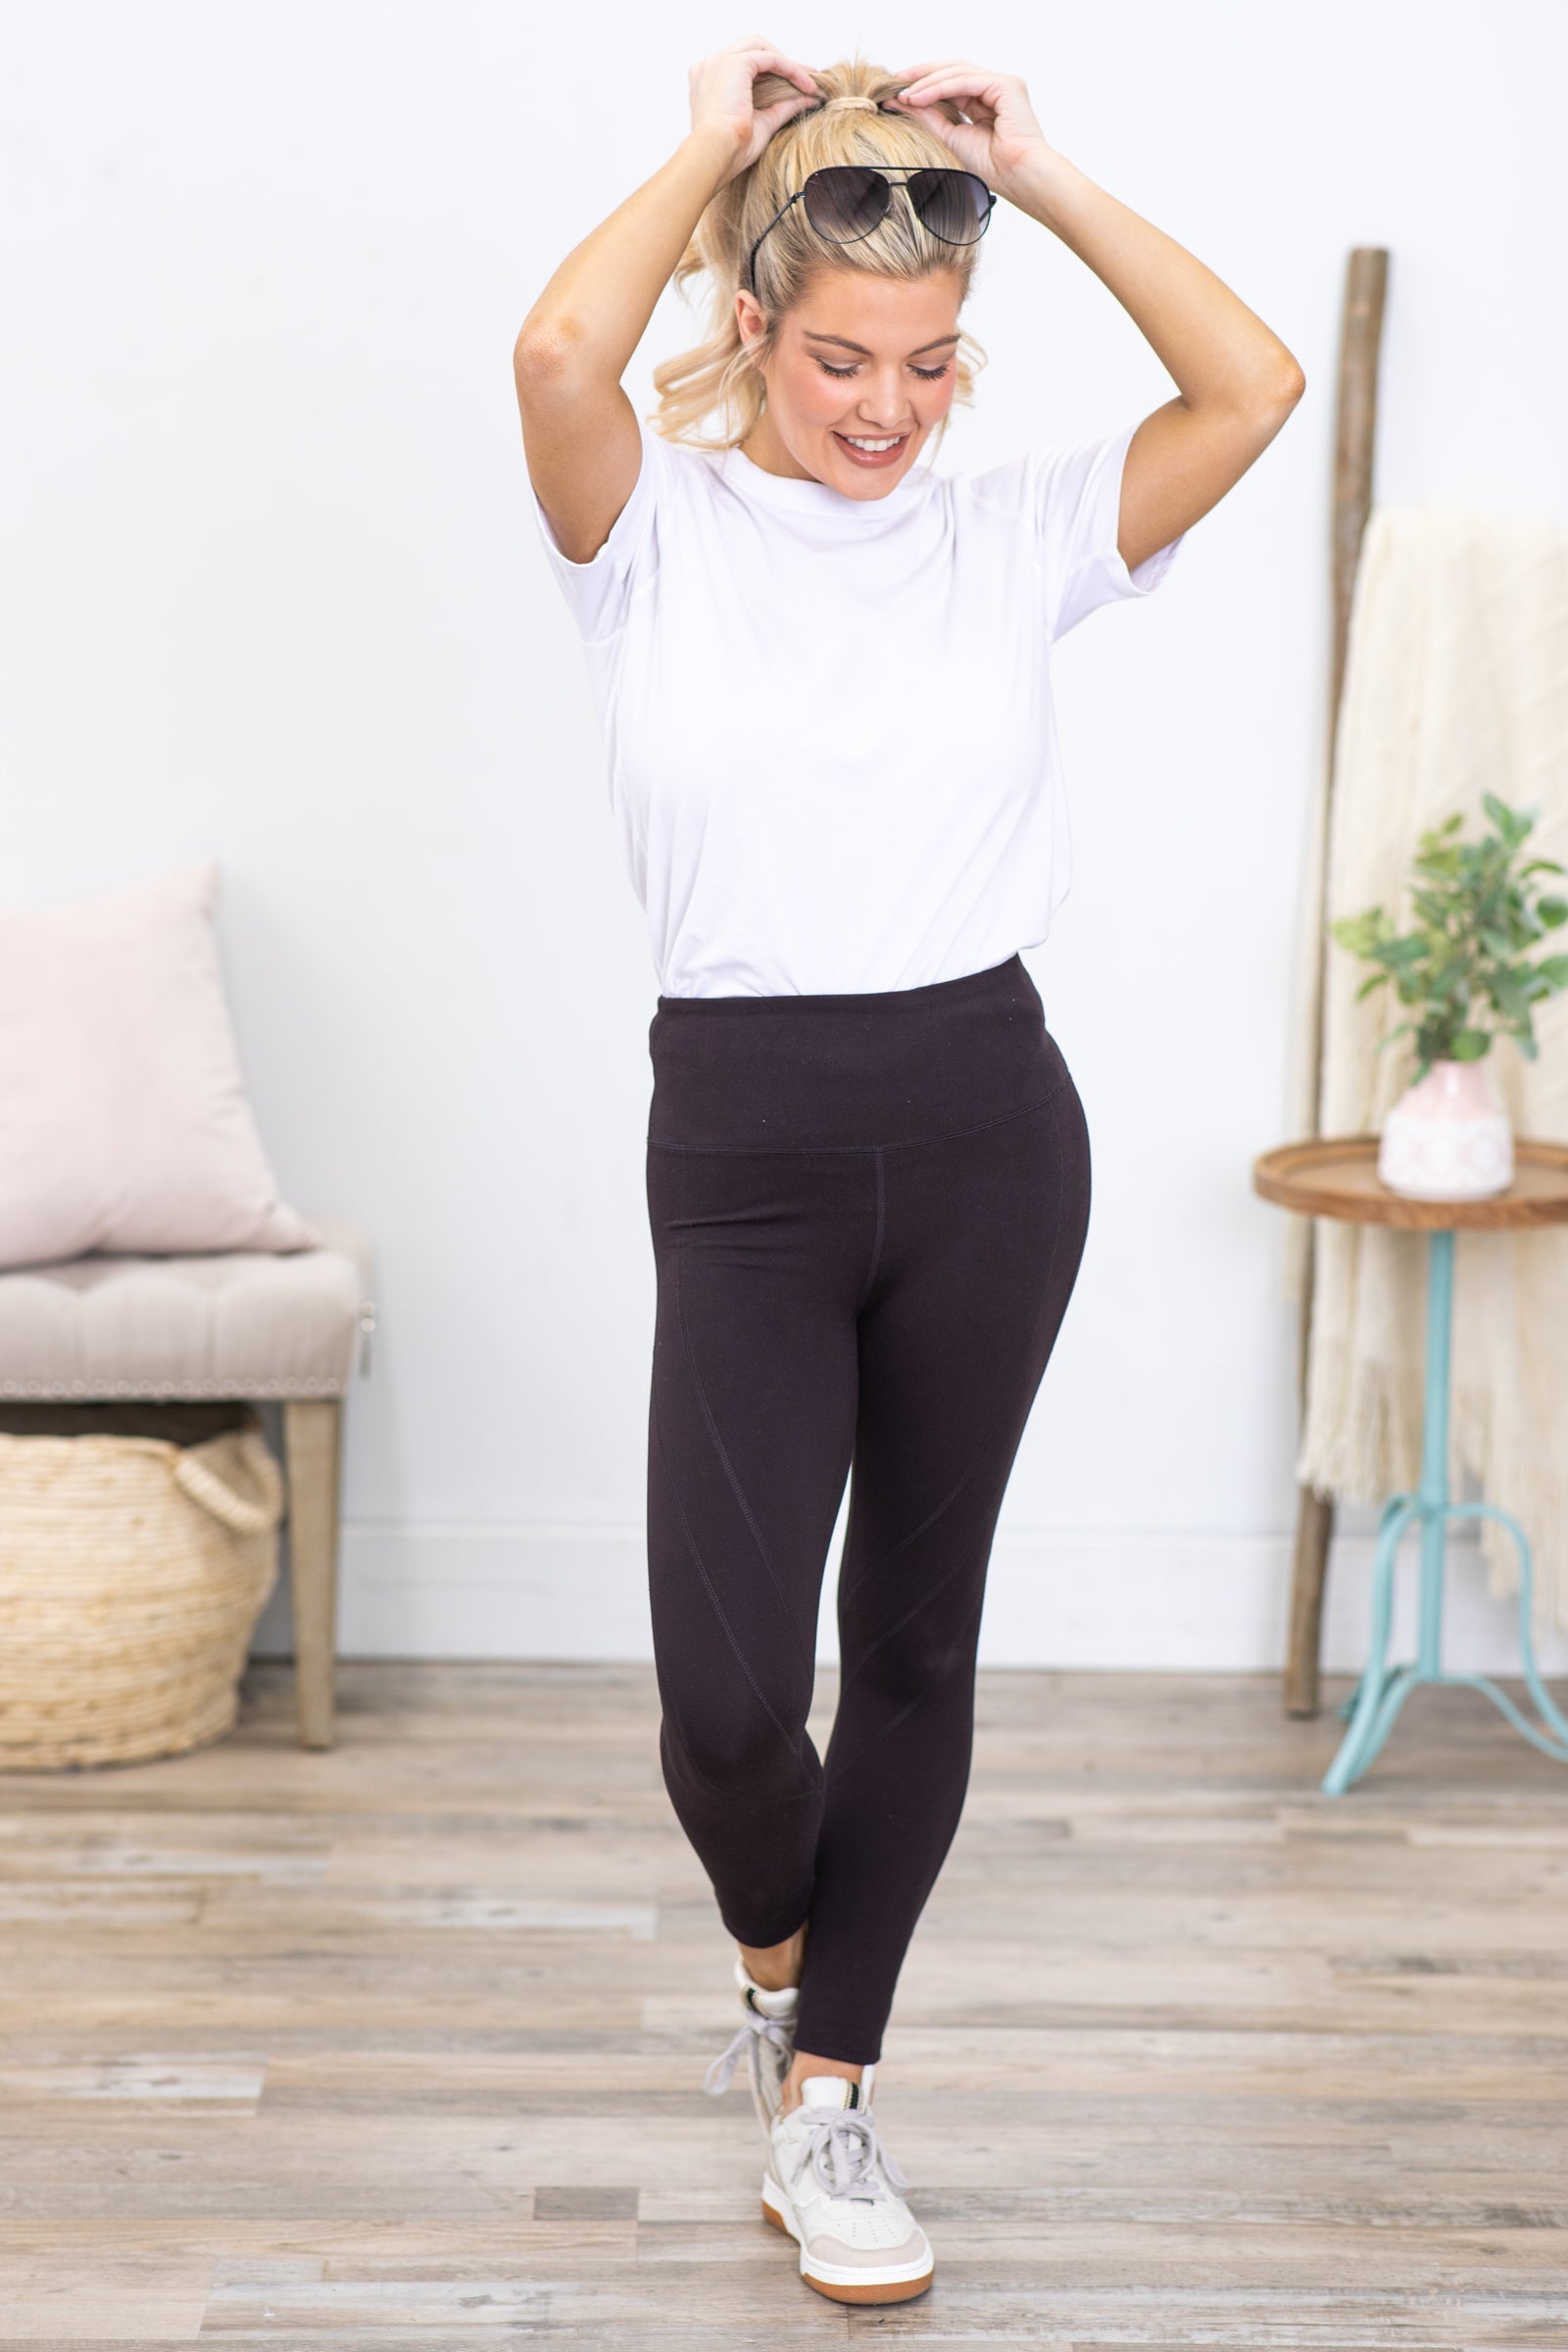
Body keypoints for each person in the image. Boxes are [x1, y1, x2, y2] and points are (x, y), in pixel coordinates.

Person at [514, 37, 1303, 2308]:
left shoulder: (1013, 530)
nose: (887, 408)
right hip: (741, 1149)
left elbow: (1245, 387)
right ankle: (782, 1977)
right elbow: (556, 352)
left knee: (915, 1640)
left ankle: (831, 2100)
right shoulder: (646, 535)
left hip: (984, 1133)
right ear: (752, 319)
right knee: (724, 1703)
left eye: (930, 363)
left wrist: (1030, 169)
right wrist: (708, 143)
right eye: (842, 357)